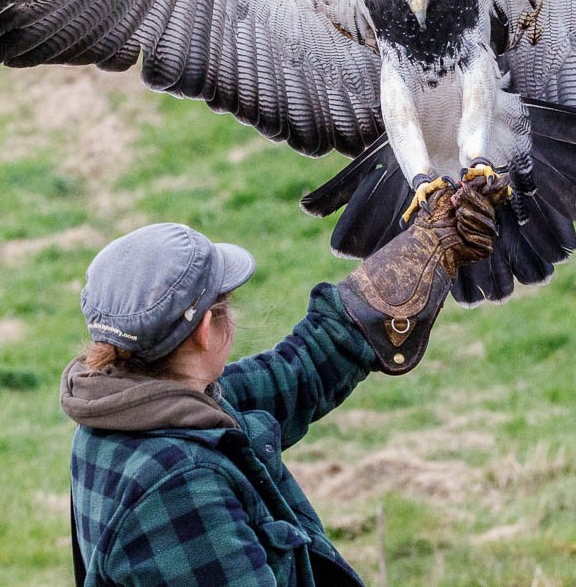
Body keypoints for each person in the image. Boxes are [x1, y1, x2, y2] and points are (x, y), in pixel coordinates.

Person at [61, 177, 507, 586]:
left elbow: (298, 373)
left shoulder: (127, 408)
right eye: (226, 302)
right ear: (204, 331)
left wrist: (426, 248)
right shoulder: (179, 487)